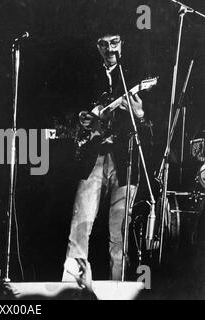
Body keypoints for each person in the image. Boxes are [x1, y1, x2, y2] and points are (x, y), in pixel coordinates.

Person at [62, 29, 151, 281]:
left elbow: (152, 130)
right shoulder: (86, 76)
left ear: (122, 44)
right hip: (93, 155)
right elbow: (68, 115)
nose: (109, 48)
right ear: (97, 47)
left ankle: (119, 290)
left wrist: (140, 114)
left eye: (114, 42)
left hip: (125, 160)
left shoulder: (134, 77)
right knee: (80, 225)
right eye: (103, 44)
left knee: (120, 233)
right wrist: (82, 119)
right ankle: (72, 288)